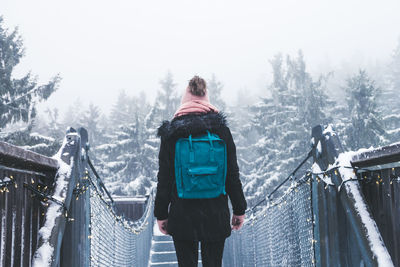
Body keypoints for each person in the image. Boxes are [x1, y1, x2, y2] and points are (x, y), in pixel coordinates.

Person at [154, 75, 247, 267]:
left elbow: (165, 178)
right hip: (215, 213)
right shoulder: (221, 131)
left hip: (182, 214)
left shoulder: (172, 133)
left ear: (184, 100)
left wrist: (161, 213)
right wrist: (239, 209)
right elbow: (231, 174)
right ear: (206, 99)